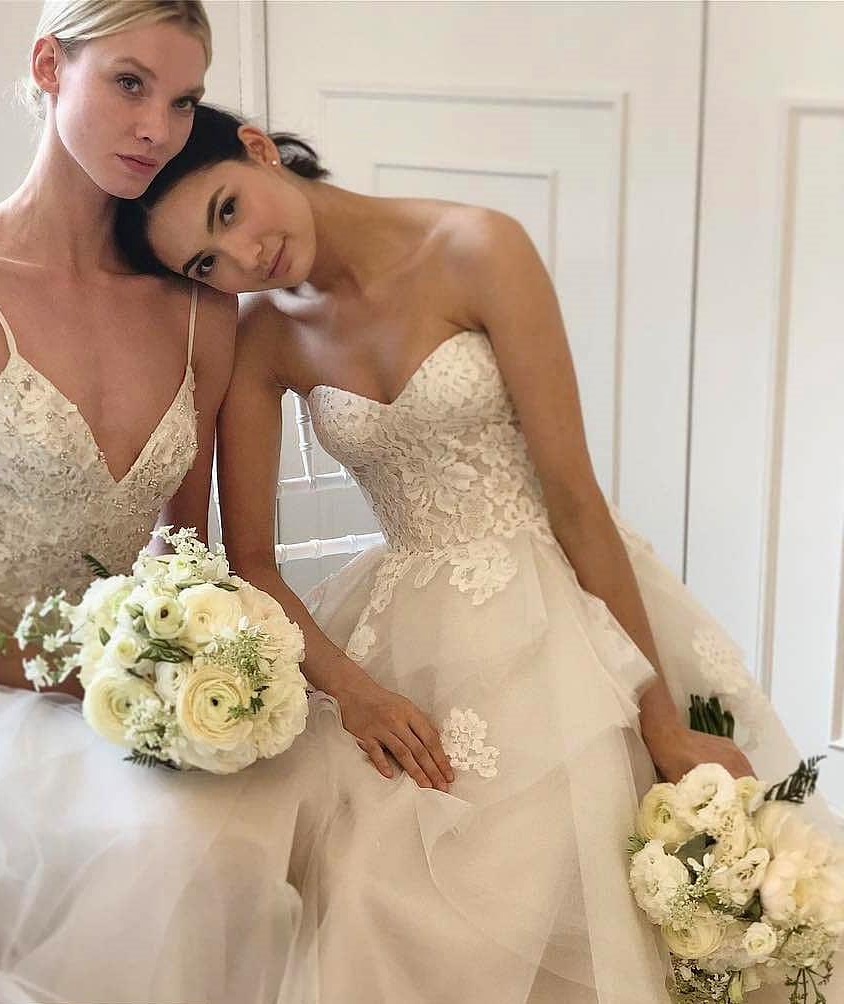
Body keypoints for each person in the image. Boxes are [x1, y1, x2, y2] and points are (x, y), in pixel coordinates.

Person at [113, 103, 841, 1003]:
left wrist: (657, 717)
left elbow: (575, 501)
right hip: (403, 655)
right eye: (205, 264)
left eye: (228, 210)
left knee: (598, 889)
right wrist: (357, 694)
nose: (242, 256)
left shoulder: (475, 248)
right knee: (377, 905)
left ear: (260, 152)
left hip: (566, 624)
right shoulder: (265, 336)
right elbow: (253, 563)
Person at [0, 10, 340, 1003]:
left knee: (274, 826)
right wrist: (82, 679)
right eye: (128, 83)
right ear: (48, 66)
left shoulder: (201, 304)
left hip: (127, 691)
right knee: (157, 846)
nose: (157, 126)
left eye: (183, 100)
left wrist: (173, 673)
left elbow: (188, 556)